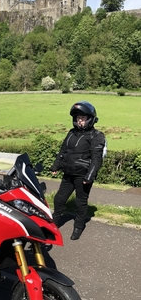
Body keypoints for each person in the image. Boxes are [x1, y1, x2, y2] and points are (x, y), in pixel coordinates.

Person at [50, 101, 106, 240]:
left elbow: (96, 159)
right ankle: (53, 224)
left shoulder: (96, 136)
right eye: (78, 118)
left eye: (83, 118)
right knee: (59, 199)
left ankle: (78, 227)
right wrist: (56, 166)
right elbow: (63, 150)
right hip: (68, 173)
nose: (80, 120)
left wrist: (90, 176)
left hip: (83, 176)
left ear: (90, 119)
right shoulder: (71, 133)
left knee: (80, 202)